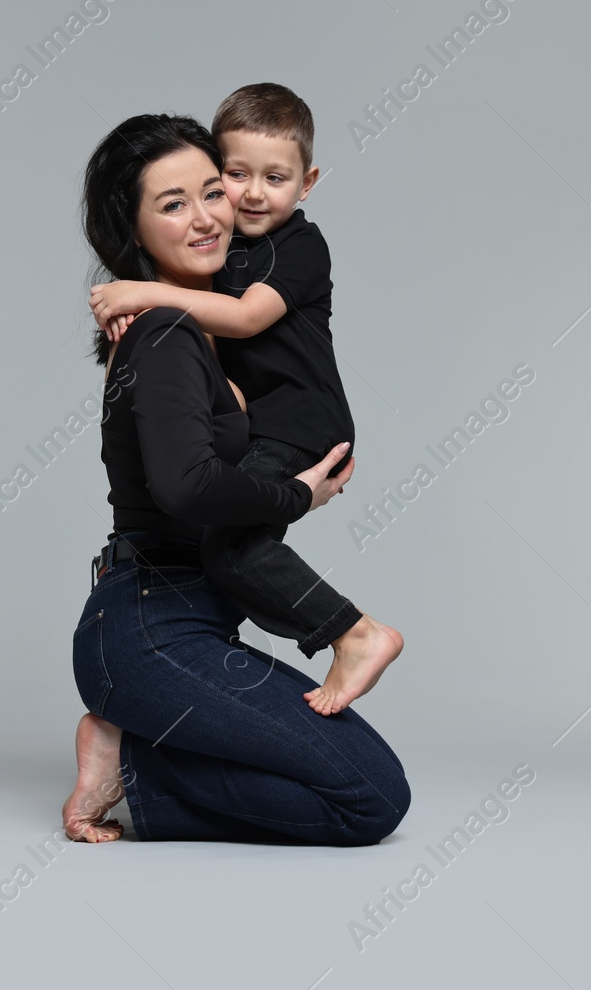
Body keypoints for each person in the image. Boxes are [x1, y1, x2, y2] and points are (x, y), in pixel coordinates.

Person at [61, 112, 410, 845]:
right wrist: (296, 495)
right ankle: (128, 761)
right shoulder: (162, 332)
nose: (208, 217)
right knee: (370, 797)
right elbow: (188, 488)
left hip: (175, 620)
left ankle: (127, 754)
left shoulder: (193, 329)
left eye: (212, 191)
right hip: (150, 628)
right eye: (173, 203)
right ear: (133, 229)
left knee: (366, 789)